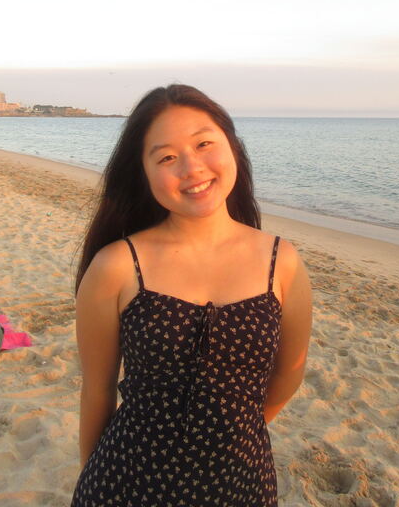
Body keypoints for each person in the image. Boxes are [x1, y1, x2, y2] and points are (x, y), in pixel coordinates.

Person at [70, 83, 312, 507]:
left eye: (204, 144)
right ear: (144, 173)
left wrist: (234, 435)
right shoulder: (116, 266)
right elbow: (97, 392)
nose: (192, 168)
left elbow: (287, 376)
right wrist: (90, 479)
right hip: (127, 483)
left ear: (232, 146)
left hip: (242, 483)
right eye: (166, 157)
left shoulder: (282, 261)